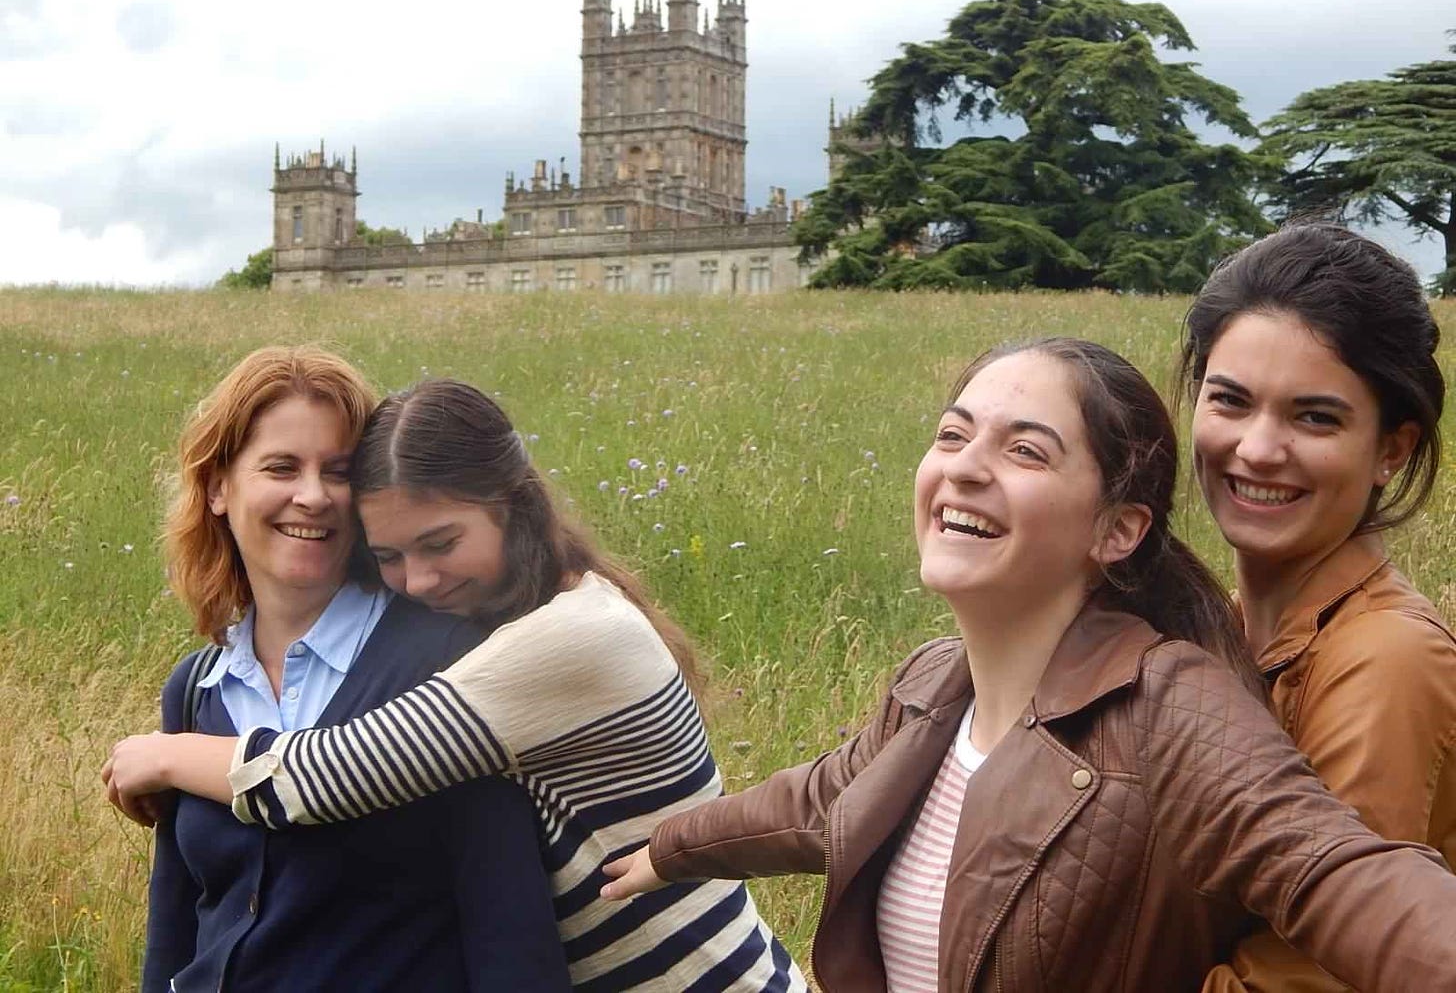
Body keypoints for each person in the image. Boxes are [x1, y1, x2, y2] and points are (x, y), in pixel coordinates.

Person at [598, 338, 1456, 992]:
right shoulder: (934, 684)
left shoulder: (1169, 698)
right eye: (953, 435)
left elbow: (1330, 867)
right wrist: (670, 849)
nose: (965, 469)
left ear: (1117, 529)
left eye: (1025, 451)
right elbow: (829, 795)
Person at [105, 378, 807, 992]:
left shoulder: (553, 641)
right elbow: (183, 911)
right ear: (217, 488)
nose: (420, 581)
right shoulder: (200, 684)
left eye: (440, 543)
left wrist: (162, 755)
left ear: (513, 503)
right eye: (391, 556)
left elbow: (318, 776)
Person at [110, 348, 567, 993]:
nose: (313, 496)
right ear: (218, 487)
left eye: (340, 471)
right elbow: (178, 923)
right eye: (281, 467)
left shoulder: (449, 661)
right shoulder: (194, 690)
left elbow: (509, 929)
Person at [1179, 223, 1456, 993]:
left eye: (1315, 417)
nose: (1259, 449)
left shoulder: (1385, 659)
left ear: (1392, 449)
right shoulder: (1220, 628)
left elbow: (1311, 976)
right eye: (1230, 400)